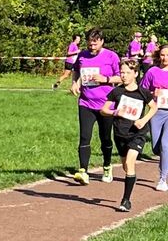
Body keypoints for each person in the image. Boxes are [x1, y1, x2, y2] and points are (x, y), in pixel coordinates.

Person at [101, 60, 157, 211]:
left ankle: (126, 201)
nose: (124, 76)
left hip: (137, 134)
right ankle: (130, 180)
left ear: (136, 74)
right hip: (120, 134)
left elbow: (154, 107)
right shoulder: (117, 92)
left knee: (131, 162)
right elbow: (103, 110)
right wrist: (114, 112)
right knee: (126, 166)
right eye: (122, 72)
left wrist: (143, 120)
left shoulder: (143, 93)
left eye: (127, 73)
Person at [71, 28, 121, 185]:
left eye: (95, 43)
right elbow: (76, 71)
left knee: (105, 137)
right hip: (85, 102)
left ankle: (107, 165)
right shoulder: (82, 55)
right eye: (90, 43)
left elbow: (120, 77)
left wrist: (105, 79)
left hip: (105, 104)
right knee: (84, 136)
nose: (92, 46)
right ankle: (83, 171)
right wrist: (75, 83)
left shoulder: (111, 56)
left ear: (101, 41)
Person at [140, 42, 168, 191]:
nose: (165, 58)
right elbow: (142, 90)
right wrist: (152, 94)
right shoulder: (152, 71)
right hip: (156, 112)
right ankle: (165, 158)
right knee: (157, 148)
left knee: (165, 145)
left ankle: (163, 179)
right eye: (163, 55)